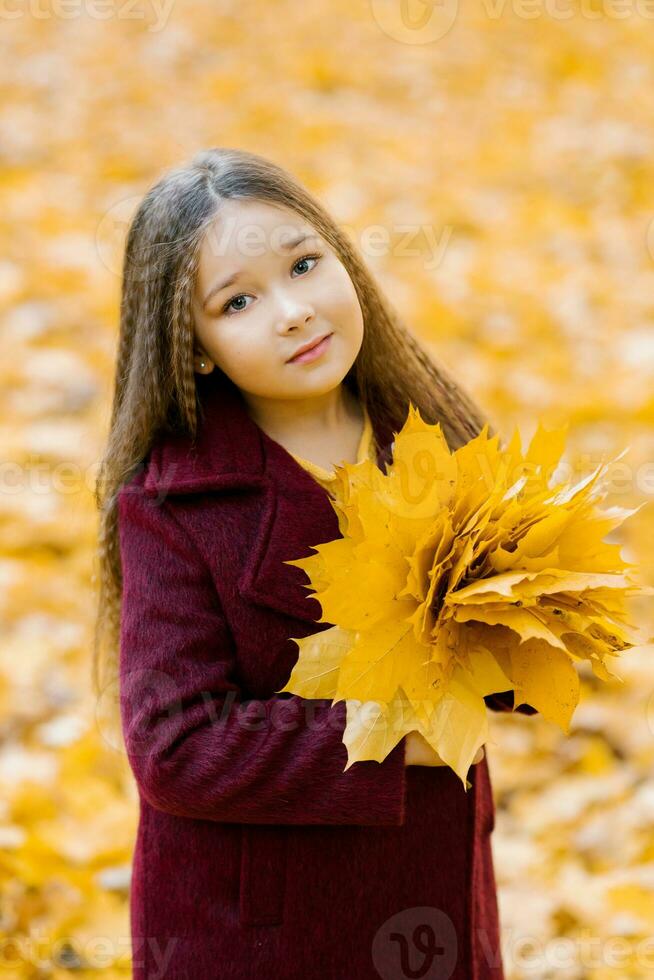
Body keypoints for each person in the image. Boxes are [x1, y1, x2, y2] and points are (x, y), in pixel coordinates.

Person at [93, 147, 536, 980]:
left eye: (304, 264)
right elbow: (175, 744)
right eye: (239, 301)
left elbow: (496, 637)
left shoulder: (429, 436)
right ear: (193, 348)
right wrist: (397, 736)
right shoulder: (177, 504)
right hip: (260, 927)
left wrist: (533, 631)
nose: (293, 312)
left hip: (432, 894)